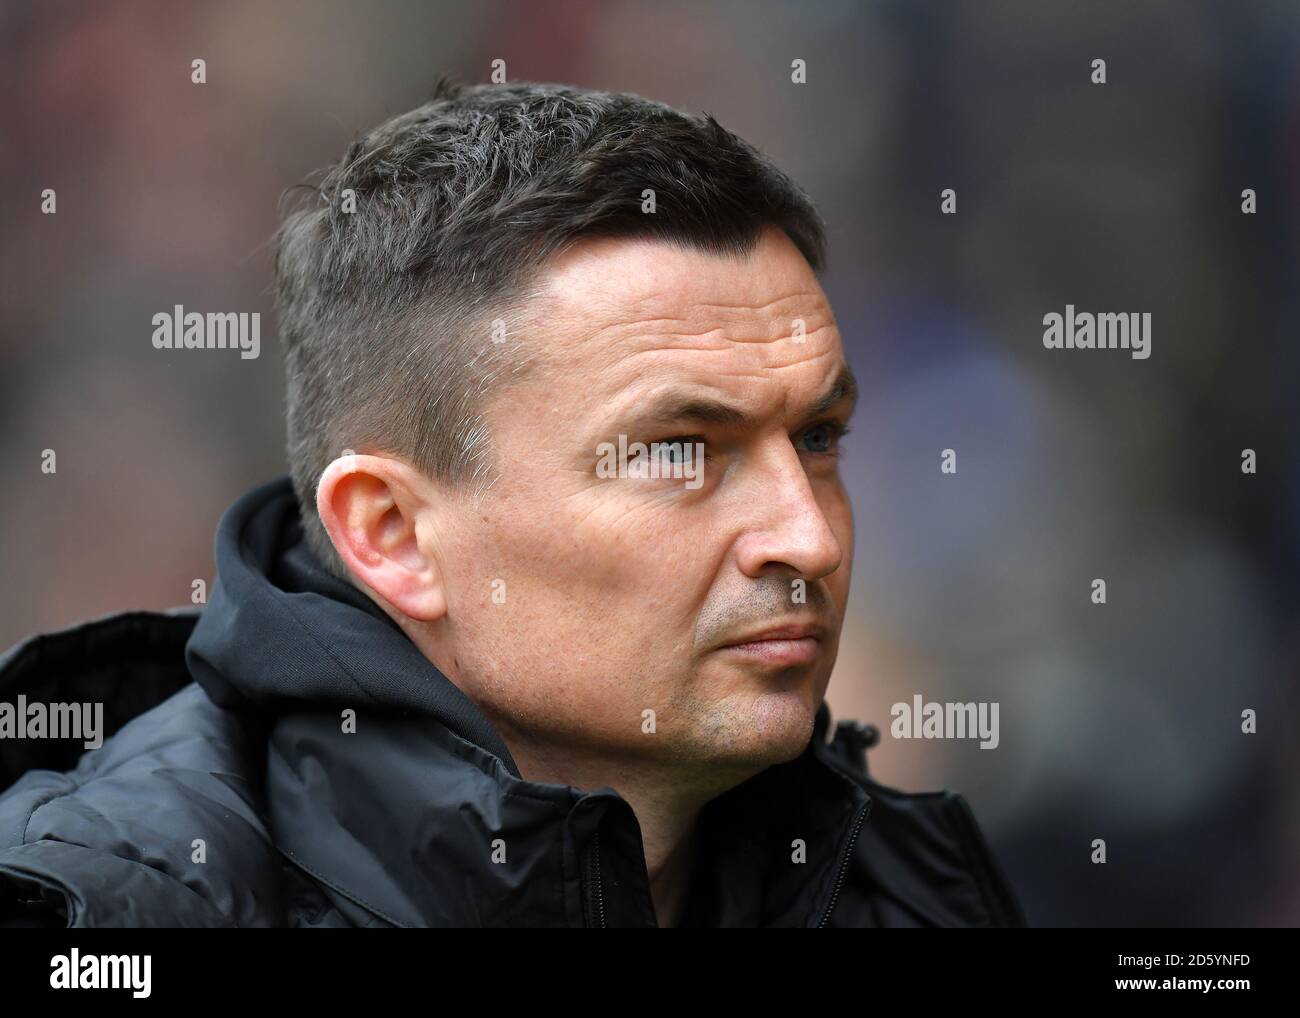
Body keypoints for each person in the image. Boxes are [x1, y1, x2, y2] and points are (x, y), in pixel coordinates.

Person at [0, 80, 1026, 927]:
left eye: (816, 437)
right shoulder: (99, 915)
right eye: (678, 451)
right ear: (393, 534)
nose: (805, 535)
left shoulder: (918, 890)